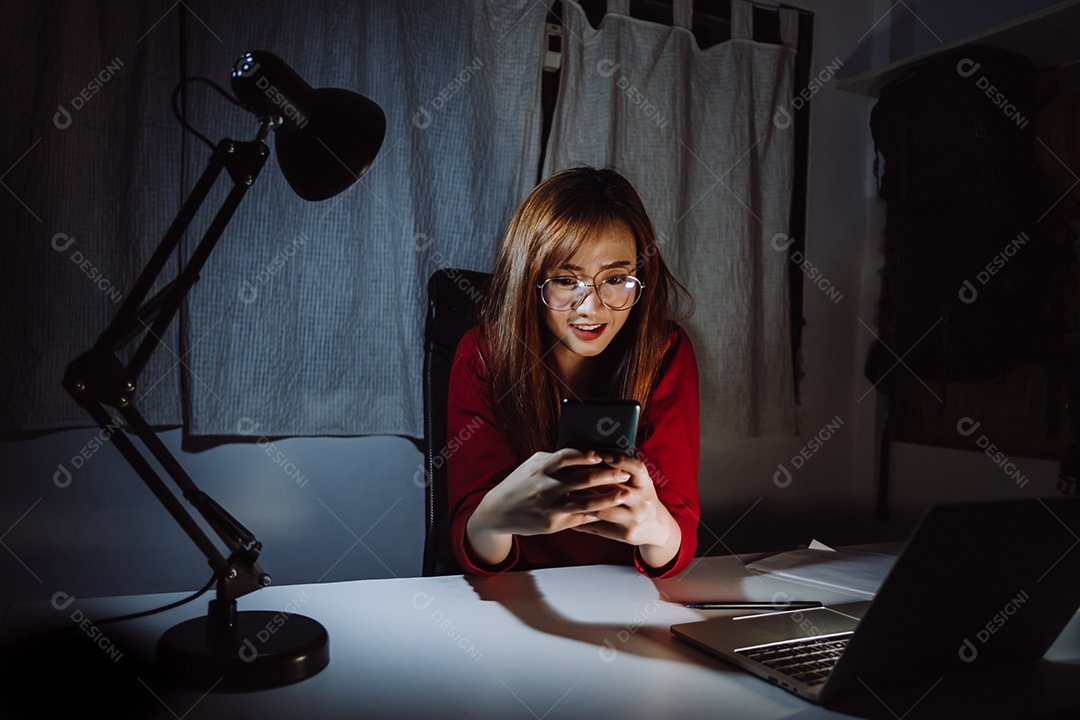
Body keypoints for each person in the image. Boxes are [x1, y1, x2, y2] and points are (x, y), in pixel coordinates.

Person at [447, 167, 699, 578]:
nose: (591, 308)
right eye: (567, 280)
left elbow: (678, 539)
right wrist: (493, 517)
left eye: (616, 279)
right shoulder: (482, 354)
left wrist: (654, 526)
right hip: (519, 593)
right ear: (530, 281)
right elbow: (472, 547)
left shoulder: (665, 351)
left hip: (629, 594)